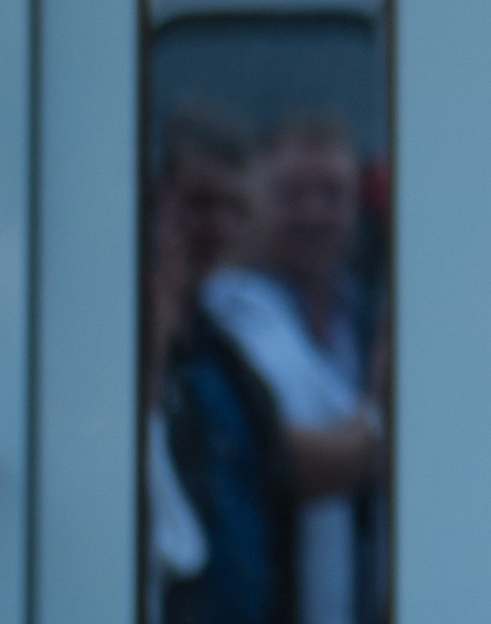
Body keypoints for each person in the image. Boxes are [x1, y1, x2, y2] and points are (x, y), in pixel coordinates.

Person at [204, 118, 385, 624]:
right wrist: (384, 426)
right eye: (290, 194)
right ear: (253, 204)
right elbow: (276, 459)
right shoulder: (226, 316)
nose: (314, 214)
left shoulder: (368, 316)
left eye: (332, 194)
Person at [146, 112, 298, 624]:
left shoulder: (221, 348)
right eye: (200, 204)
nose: (220, 229)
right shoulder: (110, 337)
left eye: (236, 209)